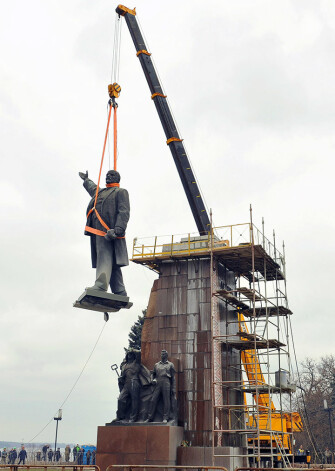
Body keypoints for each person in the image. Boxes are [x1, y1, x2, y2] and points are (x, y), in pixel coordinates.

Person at [79, 169, 130, 295]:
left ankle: (101, 285)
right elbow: (93, 189)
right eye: (107, 175)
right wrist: (86, 180)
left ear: (117, 178)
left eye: (111, 175)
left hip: (109, 233)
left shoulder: (121, 192)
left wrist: (118, 229)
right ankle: (120, 290)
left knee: (104, 257)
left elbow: (124, 212)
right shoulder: (101, 192)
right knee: (112, 262)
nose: (108, 176)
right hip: (97, 232)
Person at [146, 350, 176, 423]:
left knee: (166, 401)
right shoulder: (157, 365)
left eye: (163, 354)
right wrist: (152, 379)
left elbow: (173, 377)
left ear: (166, 355)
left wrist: (173, 388)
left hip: (166, 382)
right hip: (158, 382)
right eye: (161, 354)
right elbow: (153, 374)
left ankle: (165, 417)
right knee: (153, 400)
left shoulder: (170, 364)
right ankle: (150, 417)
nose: (162, 355)